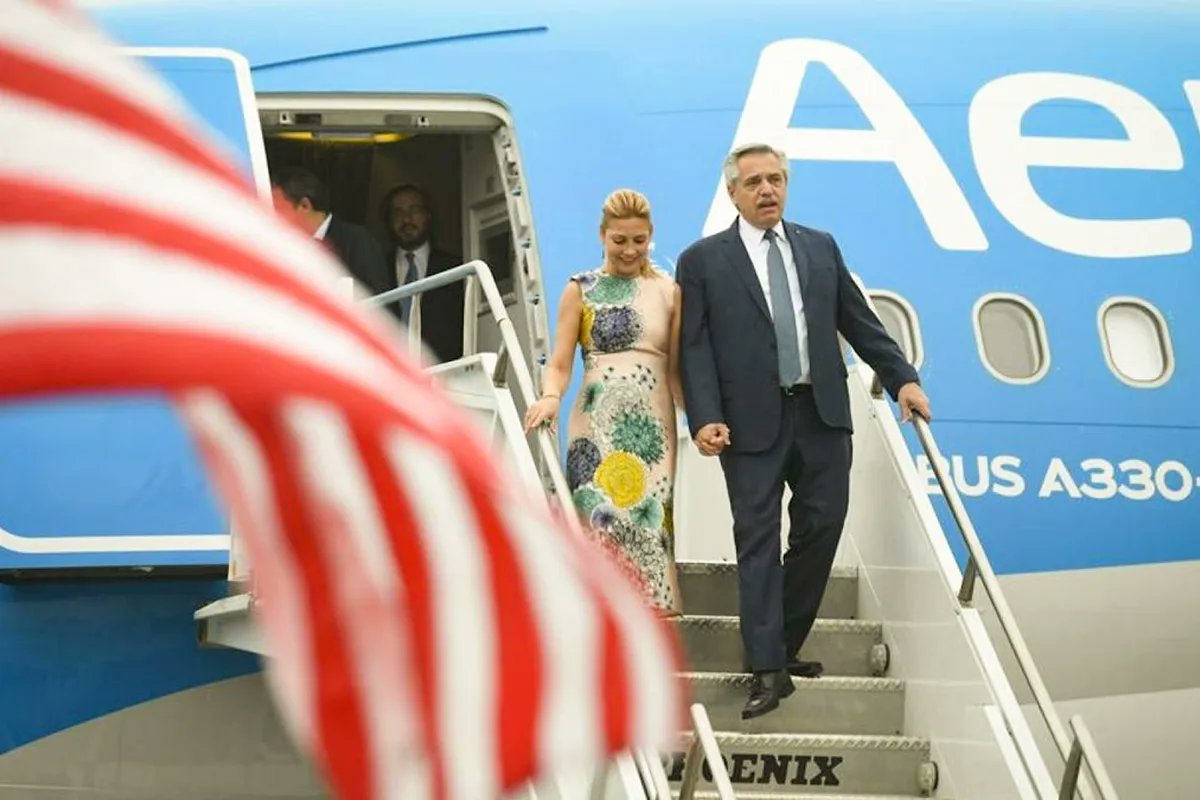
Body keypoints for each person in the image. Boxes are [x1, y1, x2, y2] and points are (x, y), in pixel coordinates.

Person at [677, 143, 932, 720]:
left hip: (821, 416)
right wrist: (705, 416)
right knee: (758, 540)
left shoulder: (819, 247)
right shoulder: (703, 261)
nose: (767, 190)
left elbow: (858, 320)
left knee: (822, 527)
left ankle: (781, 644)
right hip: (747, 425)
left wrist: (902, 380)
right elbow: (694, 349)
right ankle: (768, 669)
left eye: (776, 179)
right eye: (755, 183)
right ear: (732, 193)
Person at [524, 189, 684, 616]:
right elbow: (559, 363)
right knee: (598, 516)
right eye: (619, 240)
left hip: (653, 425)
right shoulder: (581, 289)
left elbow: (678, 371)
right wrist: (551, 396)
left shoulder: (670, 292)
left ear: (651, 236)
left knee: (648, 522)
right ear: (602, 236)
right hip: (594, 424)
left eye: (639, 240)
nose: (630, 250)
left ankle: (648, 633)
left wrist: (705, 420)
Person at [378, 184, 466, 363]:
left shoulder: (455, 267)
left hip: (443, 373)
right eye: (398, 213)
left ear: (428, 216)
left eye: (414, 210)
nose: (406, 219)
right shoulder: (377, 267)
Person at [270, 168, 388, 293]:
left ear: (305, 206)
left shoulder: (356, 241)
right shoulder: (285, 247)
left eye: (279, 209)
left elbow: (380, 301)